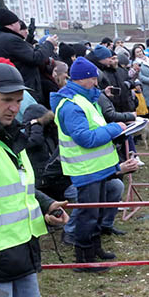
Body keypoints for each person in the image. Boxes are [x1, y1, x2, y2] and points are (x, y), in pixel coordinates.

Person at [0, 62, 80, 297]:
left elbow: (19, 188)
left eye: (18, 100)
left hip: (21, 249)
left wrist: (44, 205)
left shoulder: (10, 138)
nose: (15, 107)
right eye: (6, 100)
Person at [50, 57, 126, 271]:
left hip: (97, 169)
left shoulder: (86, 100)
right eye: (93, 79)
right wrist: (115, 129)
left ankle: (95, 249)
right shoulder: (71, 106)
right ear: (82, 79)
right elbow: (86, 138)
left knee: (97, 211)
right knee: (87, 215)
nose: (96, 83)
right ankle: (83, 259)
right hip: (86, 170)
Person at [0, 9, 59, 104]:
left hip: (5, 87)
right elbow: (36, 58)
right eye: (18, 22)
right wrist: (49, 44)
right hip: (24, 87)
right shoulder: (11, 40)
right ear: (11, 25)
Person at [132, 44, 149, 122]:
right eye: (137, 52)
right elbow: (140, 76)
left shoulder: (148, 59)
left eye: (140, 51)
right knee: (148, 107)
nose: (140, 53)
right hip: (145, 87)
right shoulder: (136, 63)